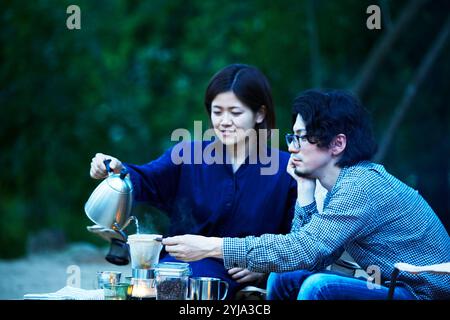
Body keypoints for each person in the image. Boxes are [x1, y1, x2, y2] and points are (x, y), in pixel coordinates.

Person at [162, 89, 450, 300]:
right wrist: (304, 190)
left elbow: (304, 249)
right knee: (286, 277)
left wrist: (213, 247)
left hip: (422, 293)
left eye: (300, 137)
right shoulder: (338, 184)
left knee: (318, 287)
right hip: (393, 287)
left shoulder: (361, 186)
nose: (292, 147)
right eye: (292, 137)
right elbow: (308, 258)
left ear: (337, 144)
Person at [88, 64, 298, 299]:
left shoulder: (286, 169)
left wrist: (265, 268)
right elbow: (145, 179)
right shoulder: (187, 155)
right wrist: (119, 170)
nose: (224, 121)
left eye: (235, 113)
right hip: (179, 268)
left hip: (238, 275)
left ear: (259, 114)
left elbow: (299, 241)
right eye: (217, 111)